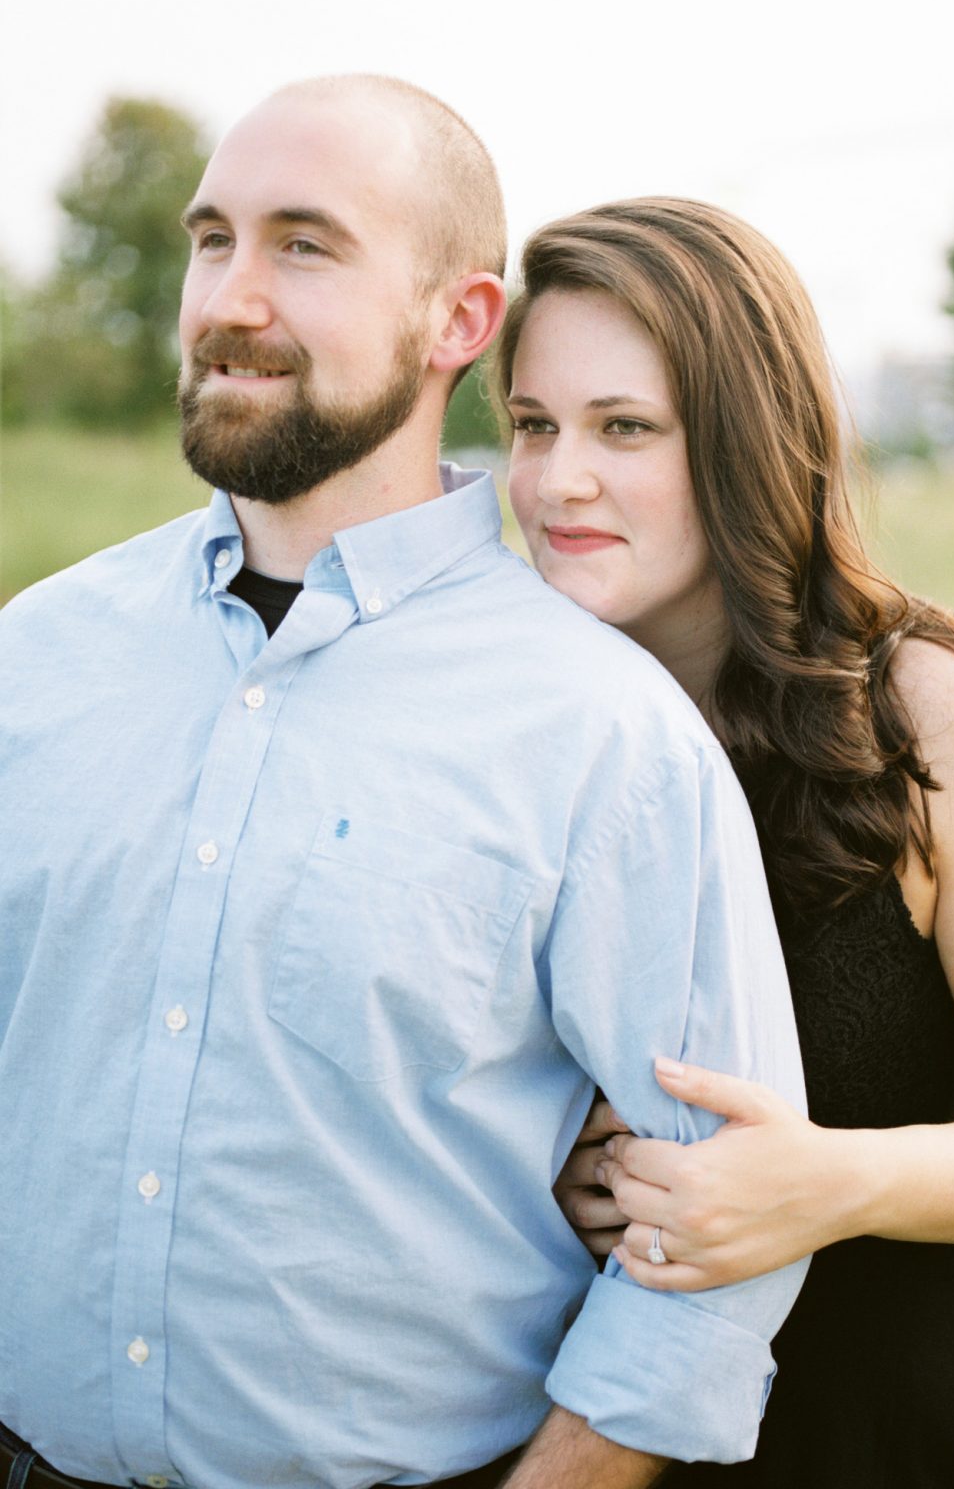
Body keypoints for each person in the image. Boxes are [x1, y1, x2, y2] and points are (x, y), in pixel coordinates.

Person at [0, 86, 810, 1489]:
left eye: (305, 248)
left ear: (459, 322)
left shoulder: (605, 734)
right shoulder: (34, 657)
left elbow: (716, 1241)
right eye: (212, 241)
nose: (231, 300)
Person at [496, 196, 954, 1487]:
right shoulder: (504, 715)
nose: (557, 477)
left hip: (870, 1425)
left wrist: (830, 1186)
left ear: (748, 442)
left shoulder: (925, 704)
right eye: (530, 425)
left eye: (625, 427)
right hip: (556, 1423)